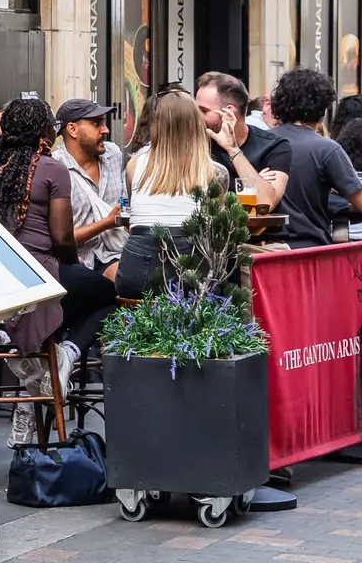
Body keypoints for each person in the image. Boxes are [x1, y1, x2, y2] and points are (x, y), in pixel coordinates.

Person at [0, 97, 75, 445]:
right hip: (35, 277)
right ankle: (62, 362)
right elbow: (62, 239)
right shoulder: (53, 169)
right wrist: (73, 261)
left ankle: (32, 376)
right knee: (102, 294)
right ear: (44, 131)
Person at [116, 89, 221, 299]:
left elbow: (132, 218)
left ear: (157, 124)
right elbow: (217, 229)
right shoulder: (213, 172)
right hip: (191, 268)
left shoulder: (134, 166)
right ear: (196, 124)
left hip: (135, 270)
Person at [268, 68, 362, 249]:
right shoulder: (327, 149)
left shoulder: (263, 141)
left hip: (263, 250)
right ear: (322, 109)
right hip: (310, 248)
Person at [52, 99, 125, 355]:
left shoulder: (113, 155)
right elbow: (60, 239)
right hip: (75, 262)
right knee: (119, 292)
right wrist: (106, 223)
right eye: (96, 123)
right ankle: (66, 349)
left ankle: (68, 353)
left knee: (130, 284)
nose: (104, 129)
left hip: (115, 253)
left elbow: (123, 200)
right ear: (72, 130)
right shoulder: (55, 167)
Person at [194, 72, 290, 213]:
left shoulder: (275, 146)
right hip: (210, 234)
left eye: (204, 110)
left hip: (263, 234)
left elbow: (265, 203)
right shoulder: (198, 143)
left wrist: (233, 149)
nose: (197, 117)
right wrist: (251, 185)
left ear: (229, 113)